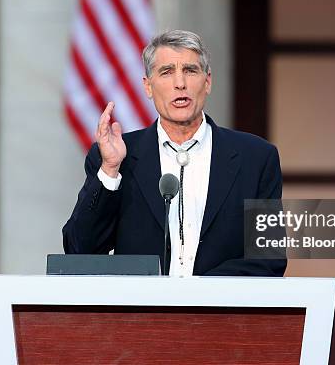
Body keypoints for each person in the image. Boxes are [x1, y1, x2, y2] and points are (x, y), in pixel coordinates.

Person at [62, 30, 286, 276]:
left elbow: (269, 261)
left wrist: (199, 293)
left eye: (190, 70)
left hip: (221, 311)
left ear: (208, 81)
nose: (180, 83)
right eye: (167, 72)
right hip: (140, 312)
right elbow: (79, 250)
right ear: (148, 86)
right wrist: (110, 171)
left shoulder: (256, 158)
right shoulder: (117, 158)